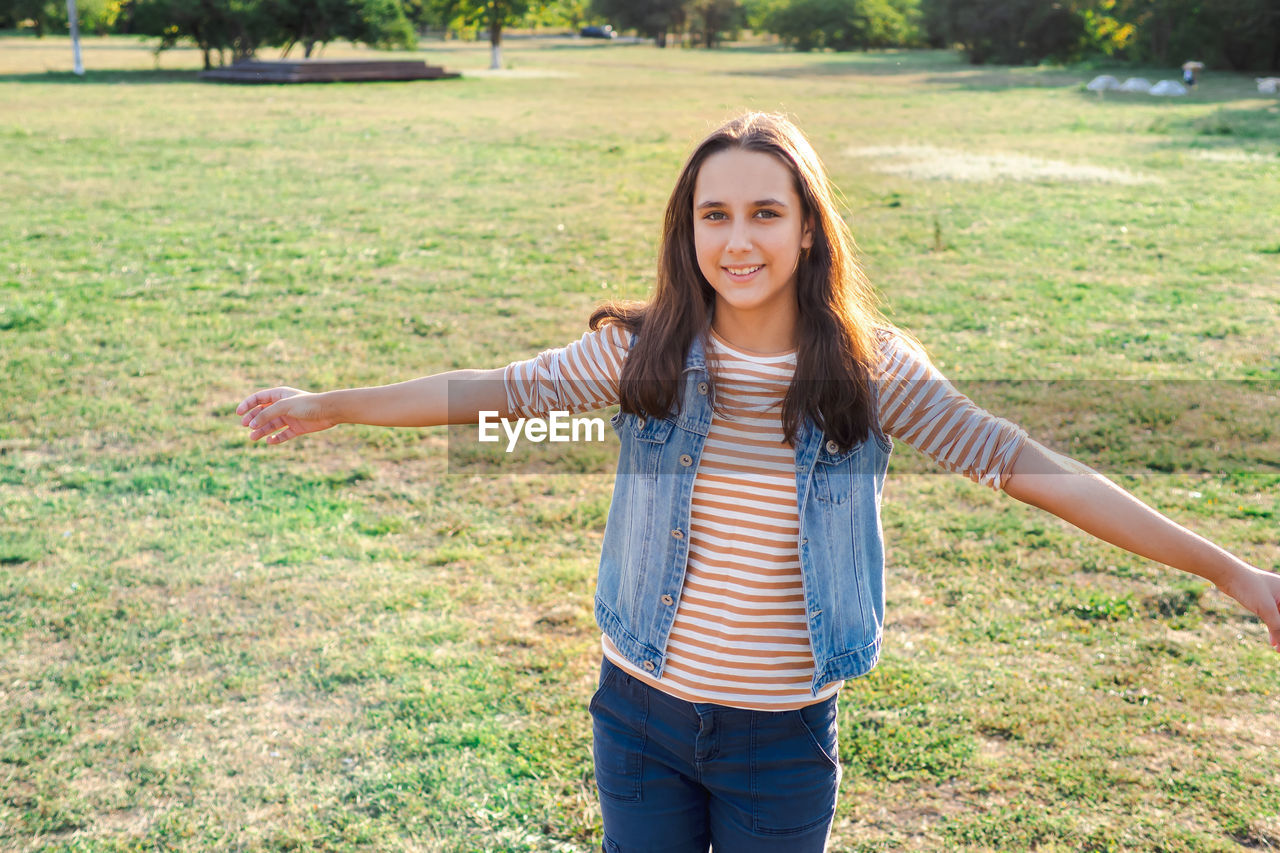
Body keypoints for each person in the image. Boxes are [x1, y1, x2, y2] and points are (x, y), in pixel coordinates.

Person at [237, 112, 1280, 852]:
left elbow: (1033, 468)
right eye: (713, 215)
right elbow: (497, 392)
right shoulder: (643, 354)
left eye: (764, 214)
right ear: (687, 230)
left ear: (808, 225)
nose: (737, 240)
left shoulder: (871, 373)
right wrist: (333, 402)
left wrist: (1234, 573)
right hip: (637, 710)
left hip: (779, 736)